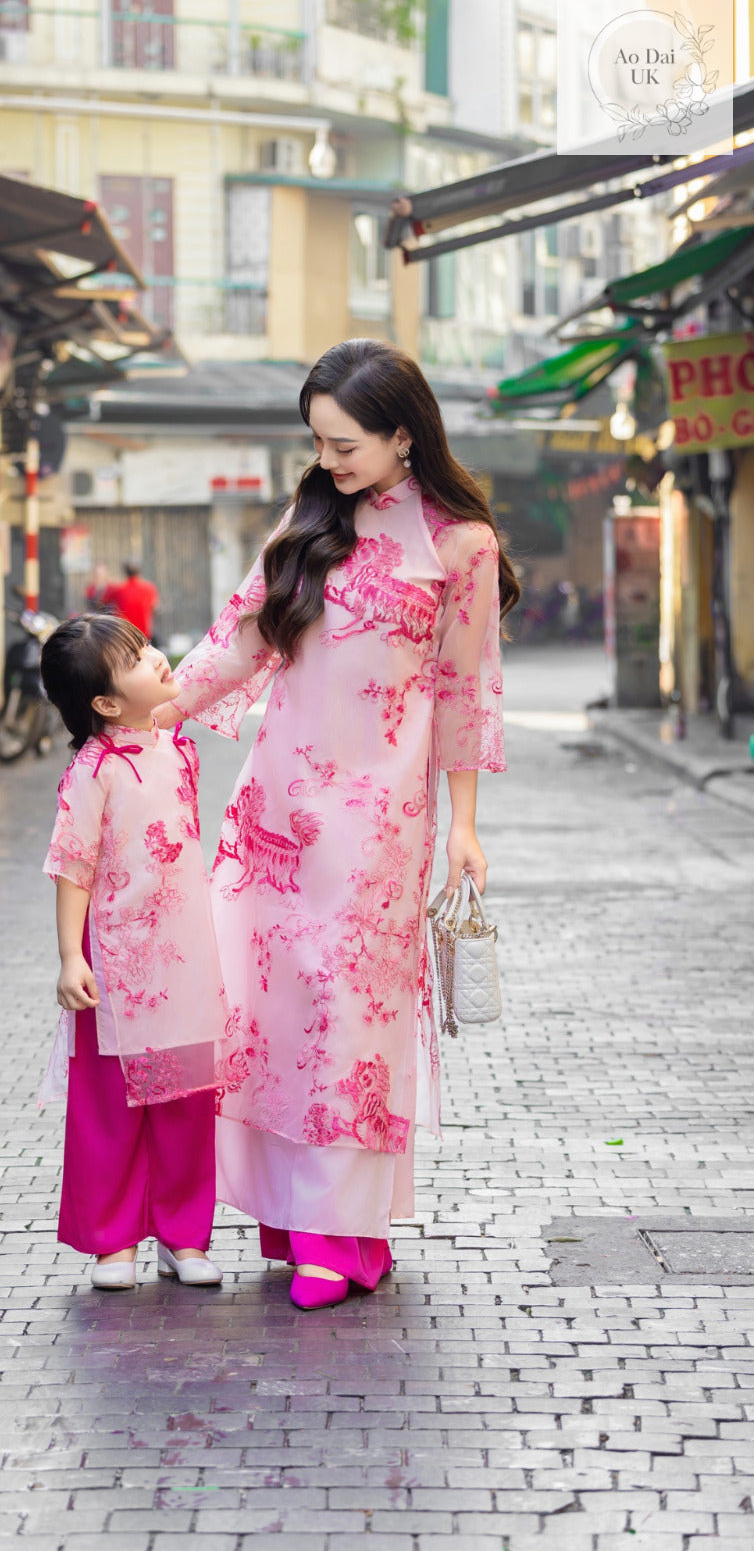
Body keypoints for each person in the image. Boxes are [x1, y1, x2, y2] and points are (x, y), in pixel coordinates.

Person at [154, 339, 520, 1310]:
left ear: (405, 434)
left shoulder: (460, 545)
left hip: (375, 822)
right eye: (317, 441)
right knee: (266, 1017)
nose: (329, 461)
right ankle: (297, 1224)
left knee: (346, 1018)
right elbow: (241, 637)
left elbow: (464, 692)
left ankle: (341, 1232)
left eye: (345, 441)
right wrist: (151, 709)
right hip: (275, 812)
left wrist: (465, 827)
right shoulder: (312, 519)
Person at [38, 613, 228, 1291]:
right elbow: (73, 865)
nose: (156, 656)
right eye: (134, 657)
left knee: (187, 1101)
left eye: (146, 645)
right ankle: (113, 1243)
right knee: (110, 1107)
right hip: (116, 965)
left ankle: (184, 1236)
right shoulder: (93, 772)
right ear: (106, 704)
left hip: (186, 955)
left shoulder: (178, 749)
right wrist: (70, 956)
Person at [110, 560, 159, 642]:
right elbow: (154, 607)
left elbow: (105, 603)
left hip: (124, 632)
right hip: (143, 633)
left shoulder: (118, 589)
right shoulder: (149, 587)